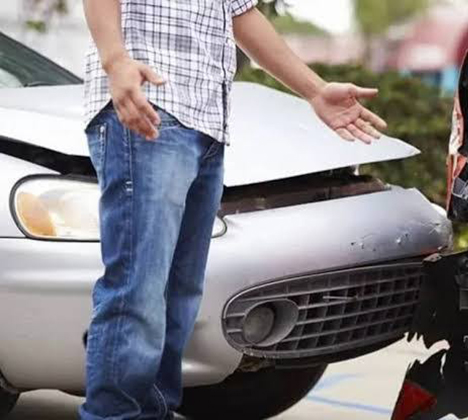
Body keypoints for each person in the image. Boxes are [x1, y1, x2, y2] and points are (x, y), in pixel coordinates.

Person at [80, 1, 387, 419]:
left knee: (179, 296)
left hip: (206, 123)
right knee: (139, 291)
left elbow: (241, 15)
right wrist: (115, 60)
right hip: (148, 107)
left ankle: (152, 412)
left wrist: (315, 90)